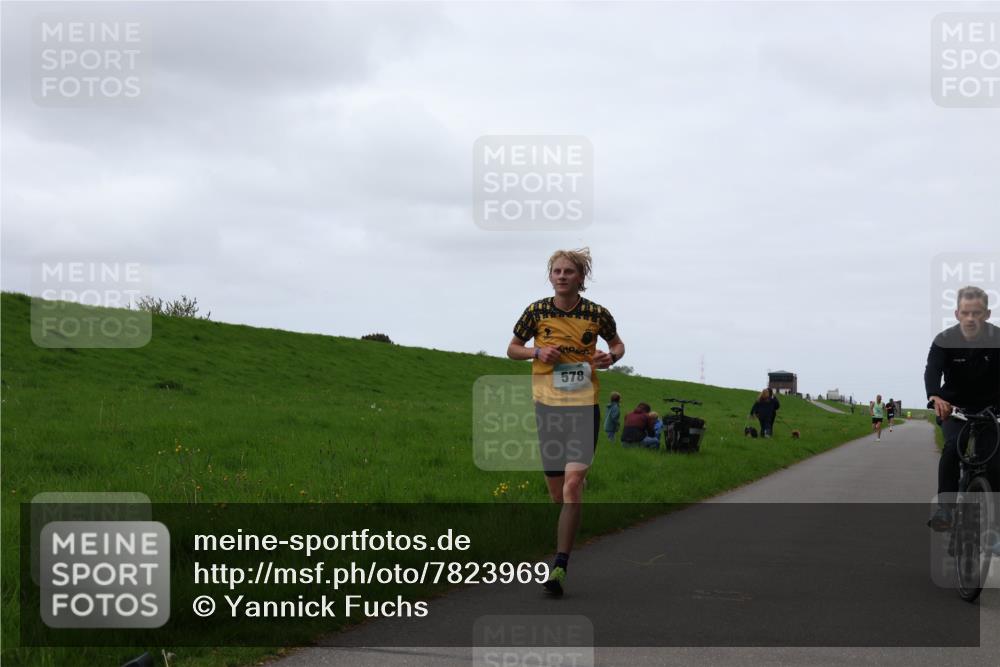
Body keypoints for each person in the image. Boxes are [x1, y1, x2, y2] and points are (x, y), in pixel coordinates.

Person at [507, 248, 625, 595]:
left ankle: (559, 566)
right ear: (550, 276)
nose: (561, 276)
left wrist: (610, 357)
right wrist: (536, 352)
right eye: (556, 271)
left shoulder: (597, 313)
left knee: (572, 489)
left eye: (568, 271)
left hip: (583, 406)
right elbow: (512, 348)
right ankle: (571, 514)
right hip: (547, 407)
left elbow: (617, 345)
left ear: (580, 278)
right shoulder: (536, 311)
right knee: (559, 496)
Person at [925, 286, 1000, 531]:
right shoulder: (944, 340)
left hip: (991, 409)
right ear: (957, 313)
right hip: (954, 408)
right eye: (966, 313)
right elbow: (933, 369)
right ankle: (946, 510)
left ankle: (993, 528)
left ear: (987, 314)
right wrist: (935, 396)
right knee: (952, 448)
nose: (970, 318)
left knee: (995, 462)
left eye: (976, 313)